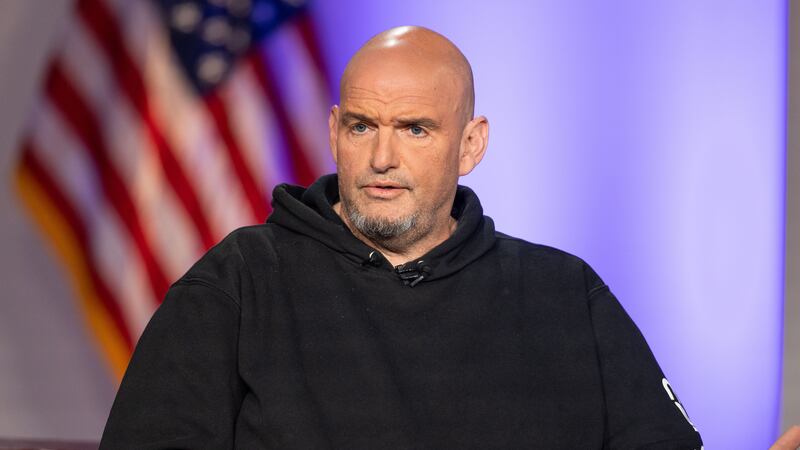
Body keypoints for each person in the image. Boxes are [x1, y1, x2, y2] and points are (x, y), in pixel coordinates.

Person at [100, 26, 705, 449]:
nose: (382, 158)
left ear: (471, 145)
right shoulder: (239, 283)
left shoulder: (563, 293)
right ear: (334, 132)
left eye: (415, 129)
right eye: (362, 126)